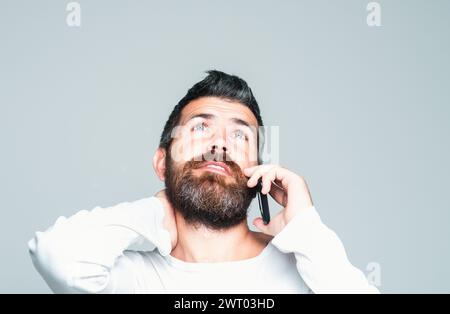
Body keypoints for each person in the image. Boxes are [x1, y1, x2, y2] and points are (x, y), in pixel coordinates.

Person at [28, 70, 379, 294]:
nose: (219, 144)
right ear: (162, 162)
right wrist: (156, 213)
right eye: (200, 128)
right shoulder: (134, 278)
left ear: (259, 171)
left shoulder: (307, 271)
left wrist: (305, 228)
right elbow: (56, 255)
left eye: (240, 136)